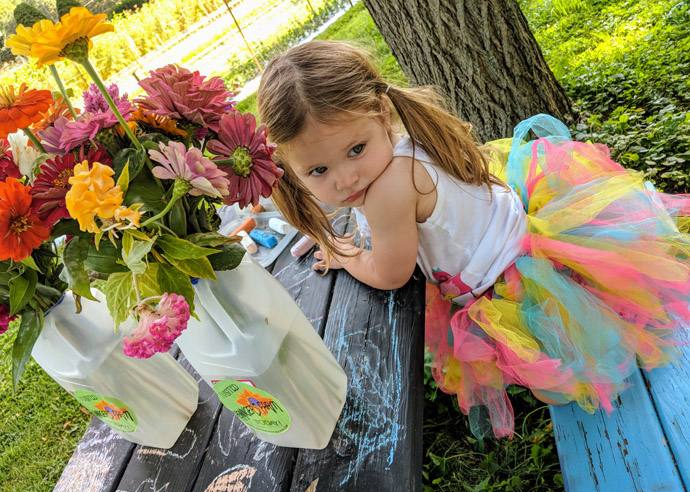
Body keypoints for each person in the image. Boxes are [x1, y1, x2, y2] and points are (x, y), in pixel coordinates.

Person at [256, 40, 690, 439]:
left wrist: (344, 252)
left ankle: (607, 383)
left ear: (381, 115)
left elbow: (390, 275)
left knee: (561, 376)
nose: (347, 177)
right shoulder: (407, 140)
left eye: (355, 150)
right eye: (319, 171)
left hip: (512, 285)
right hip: (524, 231)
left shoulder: (388, 190)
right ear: (290, 169)